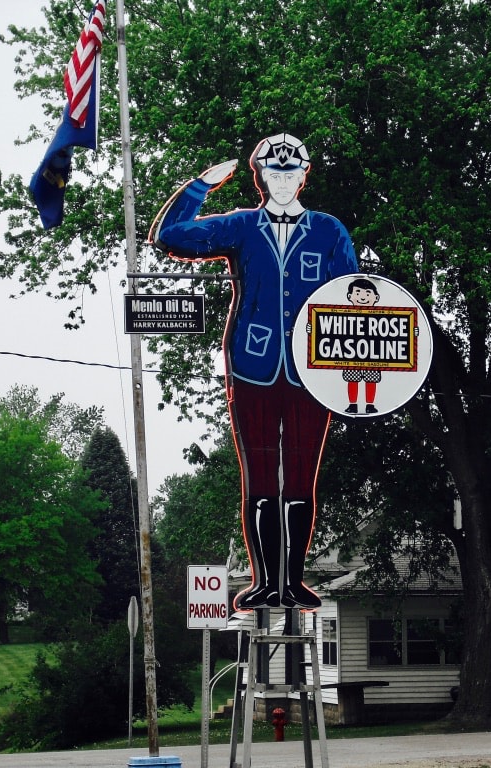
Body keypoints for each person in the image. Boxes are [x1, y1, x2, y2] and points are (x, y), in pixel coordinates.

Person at [151, 133, 358, 610]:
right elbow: (171, 236)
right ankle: (266, 581)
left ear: (303, 175)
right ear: (260, 176)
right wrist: (201, 186)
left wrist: (351, 370)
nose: (282, 181)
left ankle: (292, 580)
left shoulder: (329, 231)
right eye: (273, 173)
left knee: (302, 476)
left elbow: (352, 297)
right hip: (252, 364)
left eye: (290, 173)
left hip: (313, 369)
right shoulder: (242, 227)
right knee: (260, 475)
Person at [342, 277, 382, 414]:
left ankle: (370, 405)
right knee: (352, 379)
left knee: (371, 380)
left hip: (372, 354)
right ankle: (352, 405)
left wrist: (414, 332)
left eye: (367, 293)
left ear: (376, 297)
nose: (362, 297)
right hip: (351, 353)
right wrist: (311, 329)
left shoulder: (380, 317)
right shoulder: (345, 316)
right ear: (350, 296)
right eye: (358, 293)